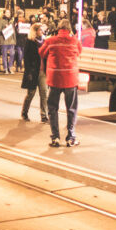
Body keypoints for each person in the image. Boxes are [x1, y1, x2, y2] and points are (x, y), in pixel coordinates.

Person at [39, 19, 82, 147]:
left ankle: (55, 137)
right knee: (72, 109)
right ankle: (70, 137)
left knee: (52, 109)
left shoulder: (50, 41)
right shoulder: (75, 41)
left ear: (58, 29)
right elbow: (79, 52)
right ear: (69, 29)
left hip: (55, 80)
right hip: (70, 79)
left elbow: (41, 52)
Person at [21, 23, 48, 123]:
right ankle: (24, 112)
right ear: (35, 31)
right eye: (40, 30)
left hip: (42, 71)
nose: (42, 32)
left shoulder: (44, 41)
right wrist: (28, 71)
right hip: (33, 71)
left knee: (44, 93)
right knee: (31, 94)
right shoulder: (30, 41)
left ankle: (44, 116)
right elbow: (26, 57)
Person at [0, 9, 16, 74]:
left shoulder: (11, 21)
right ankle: (5, 68)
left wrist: (14, 40)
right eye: (7, 12)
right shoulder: (0, 21)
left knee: (12, 54)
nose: (8, 14)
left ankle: (10, 67)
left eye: (9, 12)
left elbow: (13, 32)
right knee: (4, 55)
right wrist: (5, 29)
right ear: (4, 13)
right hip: (4, 40)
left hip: (11, 40)